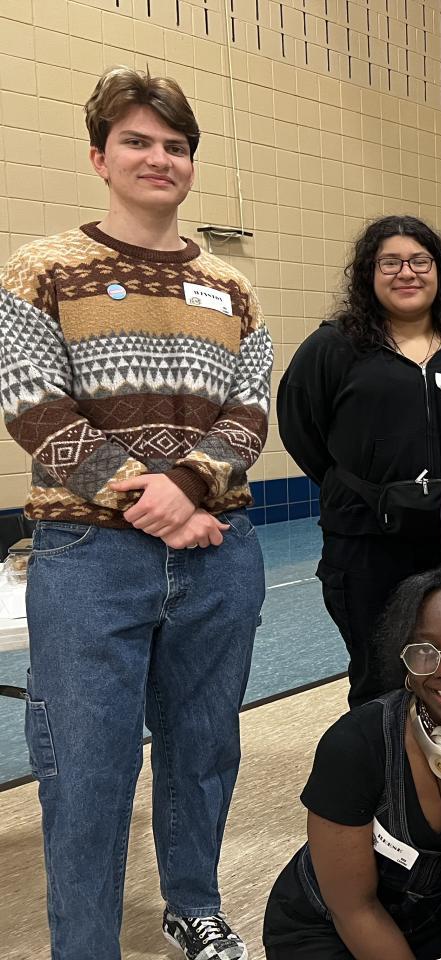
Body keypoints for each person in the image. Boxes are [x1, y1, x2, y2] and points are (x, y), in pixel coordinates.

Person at [0, 67, 272, 960]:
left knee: (204, 750)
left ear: (192, 162)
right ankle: (85, 946)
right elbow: (31, 402)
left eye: (176, 145)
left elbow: (250, 409)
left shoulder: (233, 288)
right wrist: (147, 498)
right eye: (138, 142)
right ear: (99, 157)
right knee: (86, 768)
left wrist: (187, 488)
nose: (159, 158)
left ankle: (195, 906)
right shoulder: (42, 270)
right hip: (88, 558)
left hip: (217, 554)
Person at [262, 565, 441, 959]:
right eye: (424, 651)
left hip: (430, 922)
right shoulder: (356, 744)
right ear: (406, 666)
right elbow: (354, 909)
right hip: (326, 926)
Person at [278, 215, 441, 708]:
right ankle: (385, 756)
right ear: (368, 274)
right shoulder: (334, 347)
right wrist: (358, 486)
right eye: (390, 263)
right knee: (380, 674)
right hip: (365, 540)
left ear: (440, 272)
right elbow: (301, 428)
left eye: (420, 261)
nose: (406, 272)